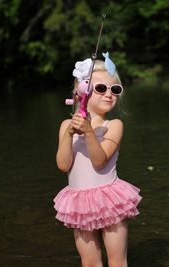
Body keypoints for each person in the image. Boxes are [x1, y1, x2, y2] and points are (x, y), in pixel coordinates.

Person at [54, 53, 142, 267]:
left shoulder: (114, 125)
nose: (109, 94)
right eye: (101, 88)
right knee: (90, 261)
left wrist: (89, 133)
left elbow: (99, 160)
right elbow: (63, 165)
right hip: (79, 202)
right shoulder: (67, 125)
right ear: (81, 93)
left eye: (115, 89)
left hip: (110, 200)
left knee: (117, 261)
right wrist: (70, 134)